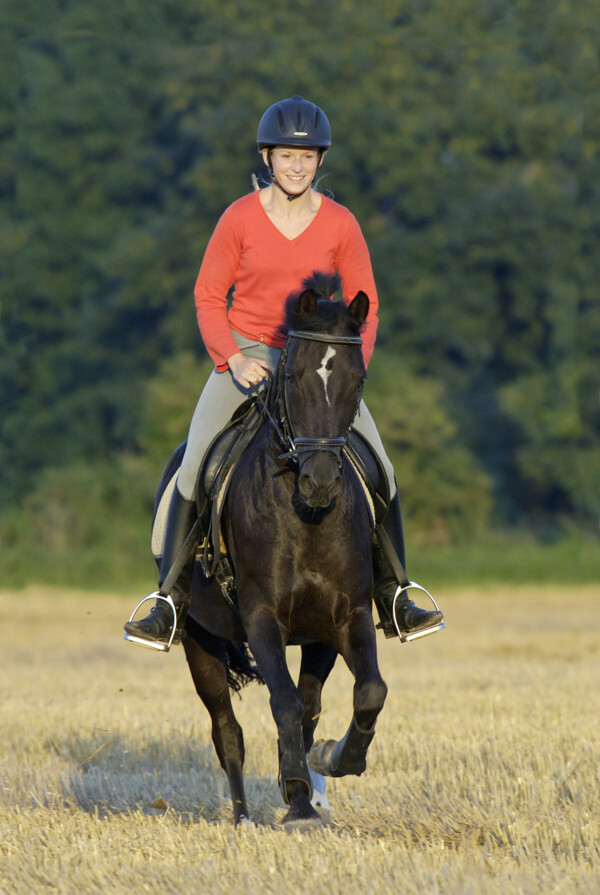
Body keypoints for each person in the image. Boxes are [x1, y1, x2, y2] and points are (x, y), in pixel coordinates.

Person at [124, 95, 443, 648]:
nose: (297, 166)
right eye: (286, 156)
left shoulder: (342, 224)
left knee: (383, 472)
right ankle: (169, 601)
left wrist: (350, 372)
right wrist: (233, 357)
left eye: (308, 156)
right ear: (267, 157)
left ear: (320, 161)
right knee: (195, 462)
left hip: (319, 364)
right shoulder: (239, 218)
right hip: (248, 351)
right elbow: (206, 297)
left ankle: (396, 594)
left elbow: (368, 304)